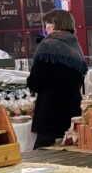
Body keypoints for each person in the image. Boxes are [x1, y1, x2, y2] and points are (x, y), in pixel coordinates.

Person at [27, 10, 87, 149]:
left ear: (54, 24)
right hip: (72, 110)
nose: (46, 28)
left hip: (50, 113)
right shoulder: (75, 47)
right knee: (68, 151)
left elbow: (35, 82)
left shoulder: (48, 45)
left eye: (47, 24)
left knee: (41, 155)